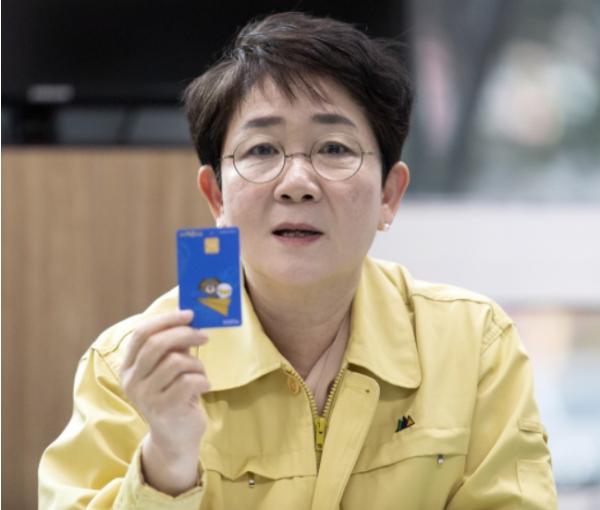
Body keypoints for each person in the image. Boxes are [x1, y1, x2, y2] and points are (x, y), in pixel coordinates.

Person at [38, 11, 557, 510]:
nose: (297, 184)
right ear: (216, 196)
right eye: (262, 150)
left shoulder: (474, 346)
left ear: (389, 194)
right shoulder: (126, 367)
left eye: (334, 148)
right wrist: (167, 460)